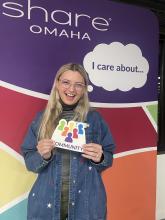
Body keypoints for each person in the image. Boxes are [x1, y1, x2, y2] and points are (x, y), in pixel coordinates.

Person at [21, 63, 115, 220]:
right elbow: (30, 163)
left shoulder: (95, 119)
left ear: (84, 89)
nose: (71, 90)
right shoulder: (41, 119)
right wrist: (42, 155)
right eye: (66, 82)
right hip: (46, 204)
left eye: (78, 85)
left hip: (86, 205)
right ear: (57, 84)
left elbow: (109, 158)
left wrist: (101, 157)